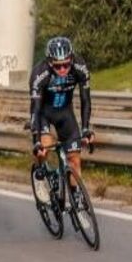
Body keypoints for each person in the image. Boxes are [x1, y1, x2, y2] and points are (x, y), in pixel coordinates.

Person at [29, 36, 93, 189]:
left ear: (71, 59)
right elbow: (35, 109)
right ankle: (40, 178)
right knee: (45, 147)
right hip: (44, 113)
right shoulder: (39, 73)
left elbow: (86, 100)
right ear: (50, 63)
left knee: (74, 160)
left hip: (65, 113)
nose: (63, 69)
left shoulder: (80, 66)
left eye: (66, 64)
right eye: (58, 66)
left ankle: (76, 198)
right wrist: (36, 140)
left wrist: (85, 129)